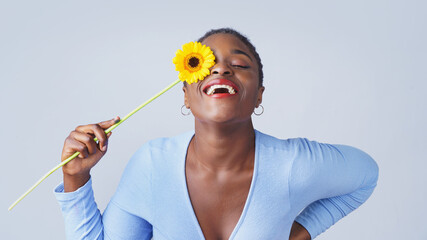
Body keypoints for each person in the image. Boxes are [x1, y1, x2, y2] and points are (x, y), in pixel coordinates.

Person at [54, 28, 379, 240]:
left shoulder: (293, 164)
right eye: (203, 64)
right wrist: (75, 178)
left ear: (259, 95)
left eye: (239, 64)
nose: (221, 69)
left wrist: (301, 232)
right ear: (185, 95)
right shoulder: (153, 166)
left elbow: (366, 176)